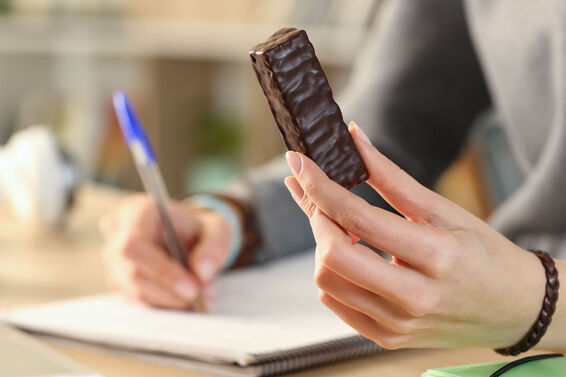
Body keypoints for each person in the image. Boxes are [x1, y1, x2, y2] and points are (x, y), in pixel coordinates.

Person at [99, 0, 566, 352]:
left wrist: (536, 297)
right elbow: (385, 140)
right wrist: (231, 220)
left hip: (519, 316)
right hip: (505, 336)